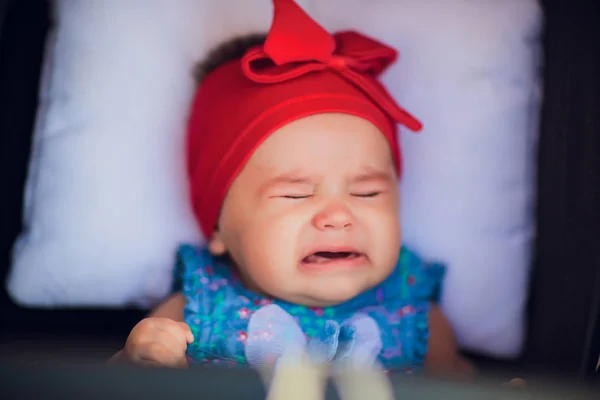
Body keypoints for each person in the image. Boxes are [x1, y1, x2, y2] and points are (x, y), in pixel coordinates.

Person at [111, 0, 475, 379]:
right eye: (296, 194)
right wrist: (135, 364)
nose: (338, 216)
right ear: (218, 227)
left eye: (367, 193)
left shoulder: (417, 318)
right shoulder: (194, 312)